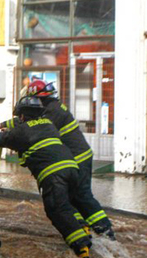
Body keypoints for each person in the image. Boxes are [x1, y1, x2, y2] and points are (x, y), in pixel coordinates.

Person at [0, 96, 93, 258]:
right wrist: (1, 124)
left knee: (56, 209)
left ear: (22, 116)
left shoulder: (21, 131)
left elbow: (0, 139)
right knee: (67, 205)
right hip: (73, 169)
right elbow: (23, 127)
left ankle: (81, 247)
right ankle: (82, 226)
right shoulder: (48, 124)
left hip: (54, 174)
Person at [26, 80, 114, 238]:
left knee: (82, 196)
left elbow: (33, 127)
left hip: (78, 158)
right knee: (70, 197)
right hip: (76, 157)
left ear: (38, 98)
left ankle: (105, 230)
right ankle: (83, 227)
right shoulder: (52, 108)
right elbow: (28, 121)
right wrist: (2, 125)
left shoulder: (52, 112)